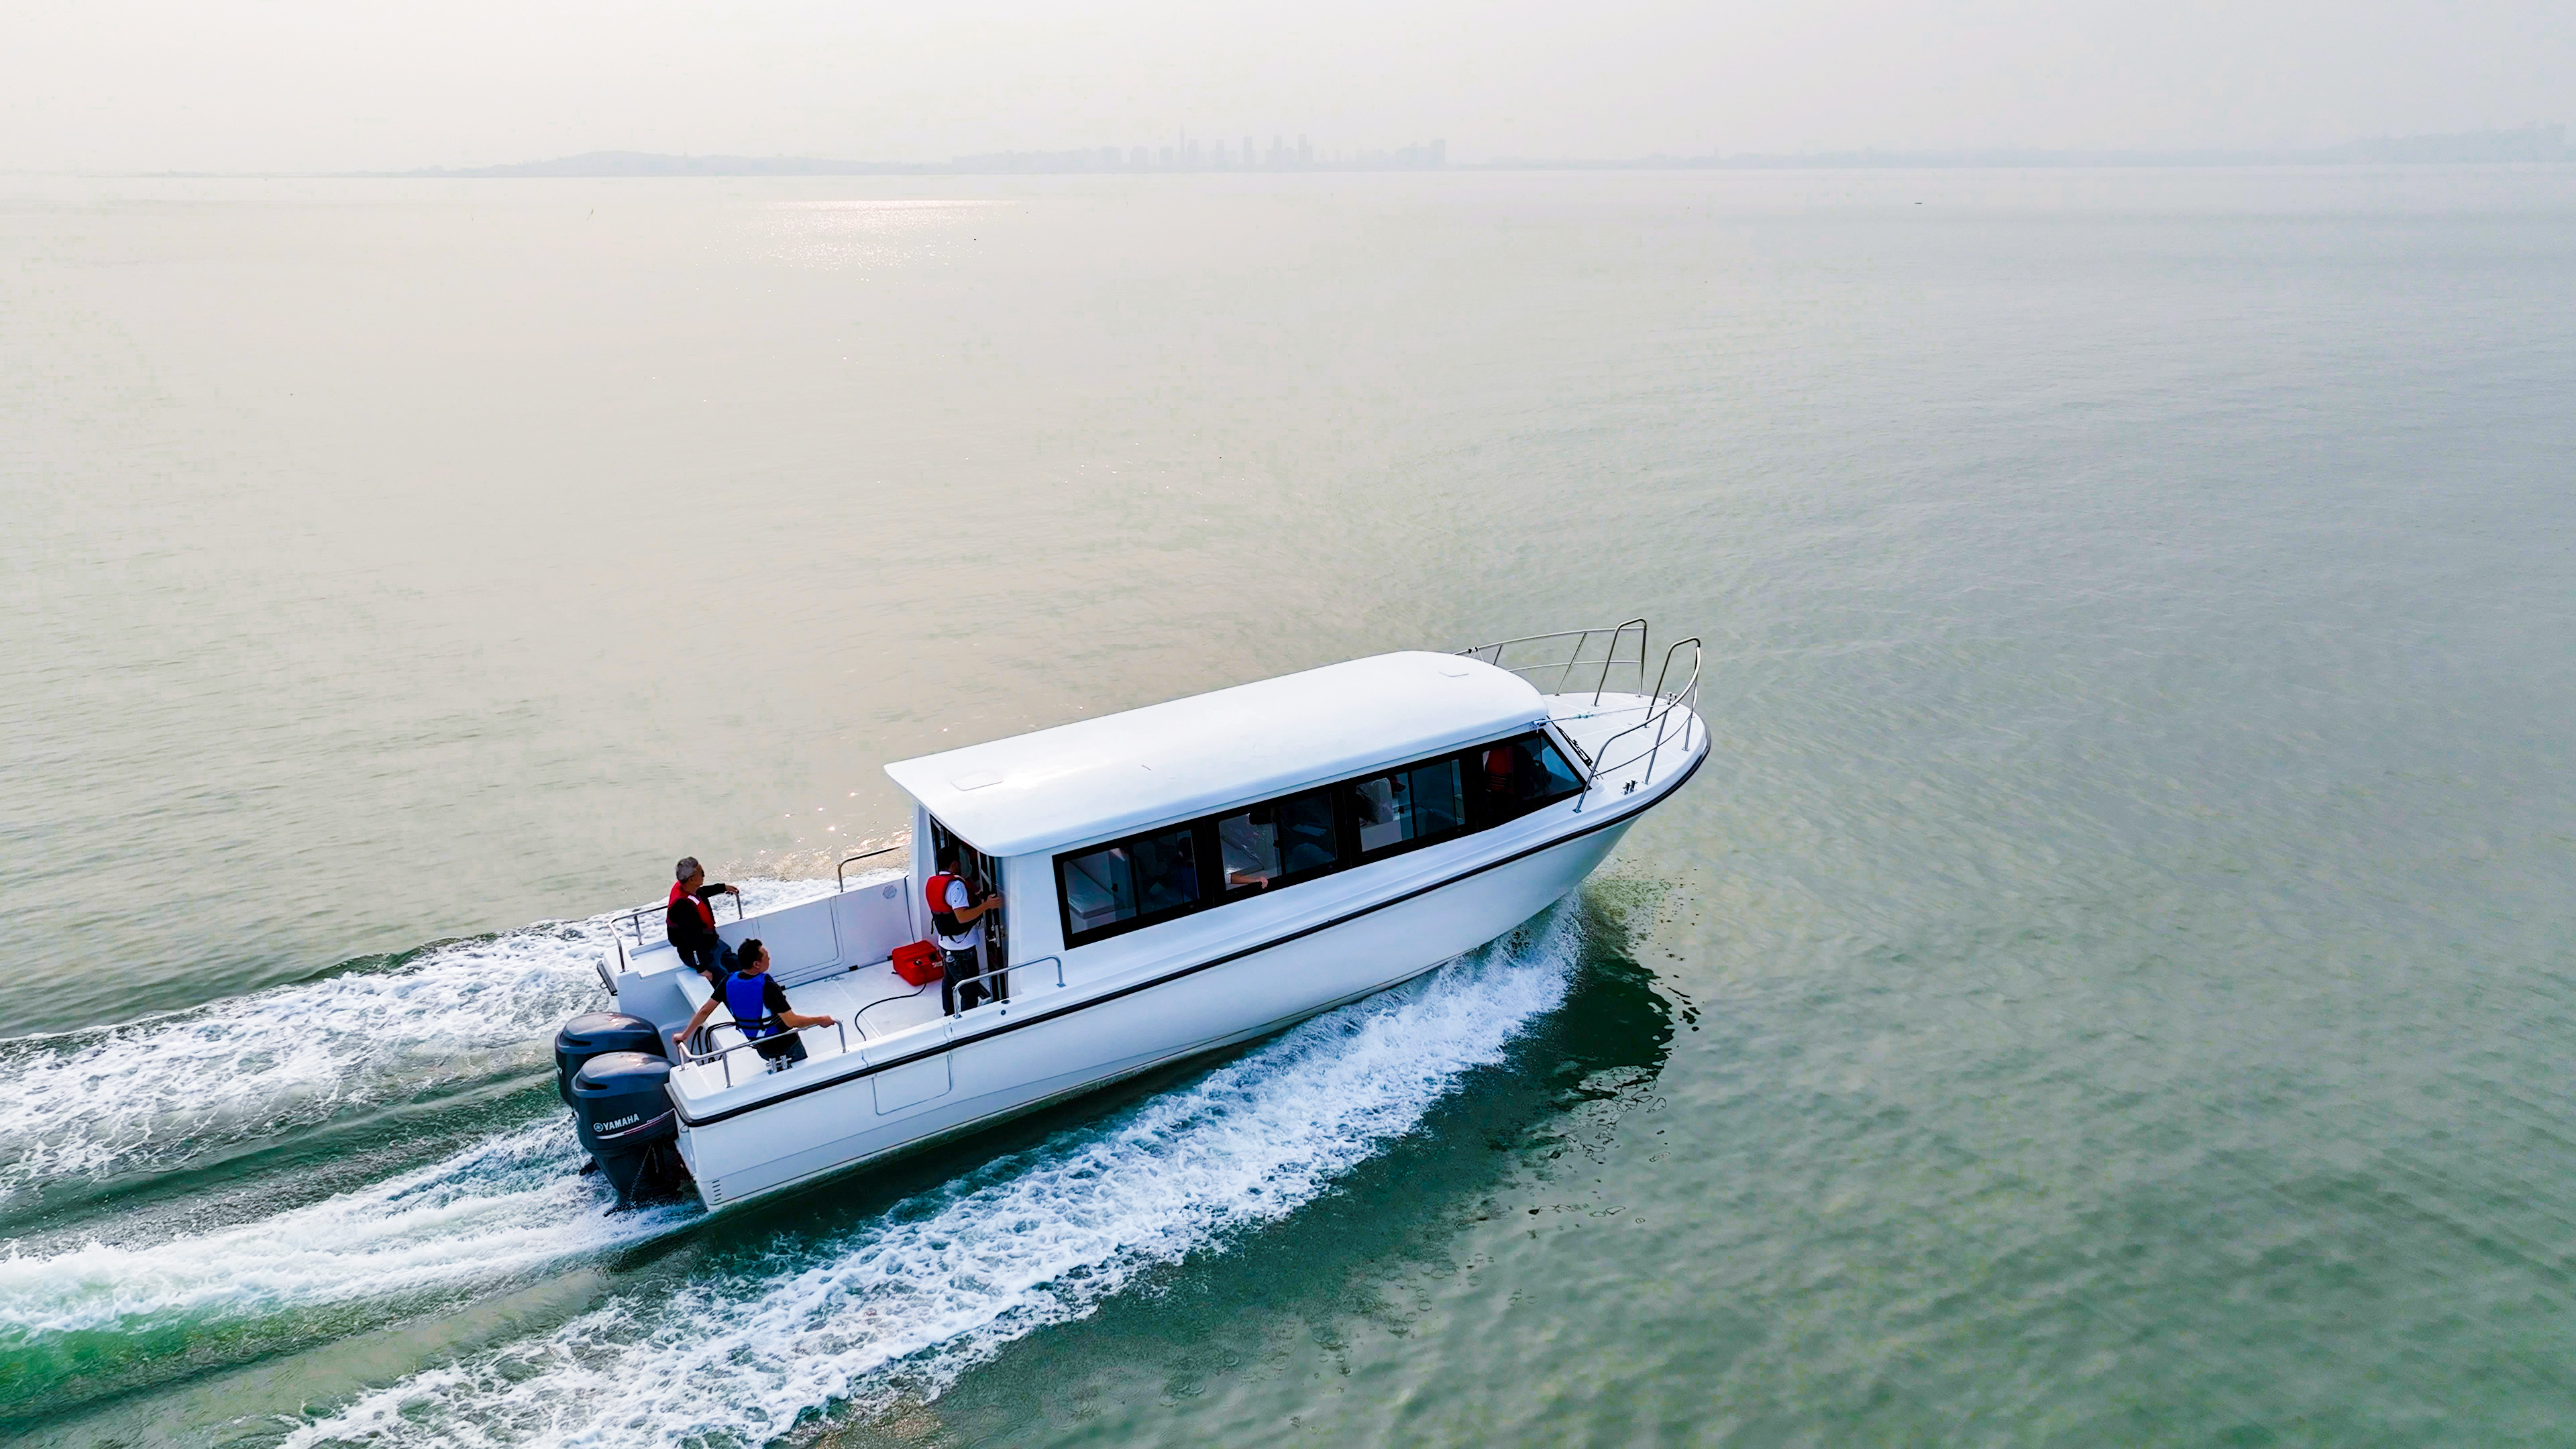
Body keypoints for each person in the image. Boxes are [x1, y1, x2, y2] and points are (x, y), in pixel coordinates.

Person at [670, 938, 836, 1072]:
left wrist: (685, 1035)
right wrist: (820, 1019)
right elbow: (792, 1021)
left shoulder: (728, 980)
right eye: (766, 956)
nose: (769, 958)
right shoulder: (767, 985)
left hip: (761, 1048)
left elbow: (705, 1011)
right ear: (757, 964)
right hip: (787, 1044)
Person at [924, 865, 1005, 1014]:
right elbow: (962, 917)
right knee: (969, 991)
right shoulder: (956, 886)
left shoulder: (933, 882)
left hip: (945, 944)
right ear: (954, 863)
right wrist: (987, 905)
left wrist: (977, 898)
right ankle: (969, 1023)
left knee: (948, 983)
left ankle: (948, 1014)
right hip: (962, 948)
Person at [665, 857, 740, 990]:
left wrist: (722, 887)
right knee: (724, 981)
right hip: (700, 953)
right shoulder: (683, 908)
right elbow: (692, 941)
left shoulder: (689, 888)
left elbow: (702, 892)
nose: (704, 875)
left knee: (739, 965)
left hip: (712, 944)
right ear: (692, 879)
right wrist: (701, 969)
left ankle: (761, 992)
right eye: (702, 873)